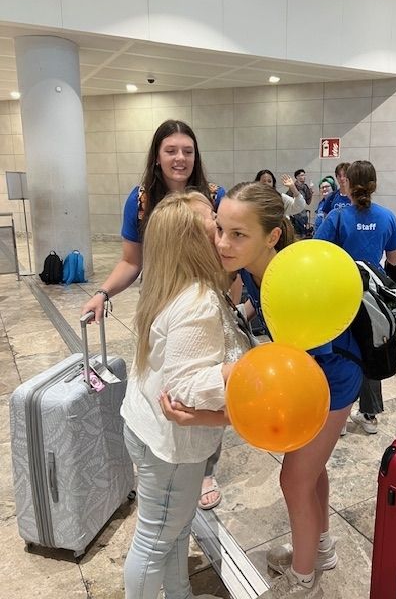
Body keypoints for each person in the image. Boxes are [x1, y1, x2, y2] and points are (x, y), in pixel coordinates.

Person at [164, 182, 363, 599]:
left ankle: (304, 577)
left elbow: (295, 377)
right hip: (317, 374)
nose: (222, 243)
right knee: (312, 471)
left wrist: (211, 413)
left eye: (238, 235)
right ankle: (319, 548)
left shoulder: (290, 277)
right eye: (220, 229)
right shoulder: (256, 271)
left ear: (272, 236)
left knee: (294, 478)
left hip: (333, 381)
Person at [81, 119, 225, 511]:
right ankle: (158, 448)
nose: (180, 158)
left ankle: (205, 465)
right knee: (161, 376)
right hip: (161, 299)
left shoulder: (214, 195)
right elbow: (132, 260)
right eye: (171, 150)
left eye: (187, 151)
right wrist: (102, 292)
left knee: (204, 379)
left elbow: (228, 255)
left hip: (202, 297)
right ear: (157, 157)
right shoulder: (141, 200)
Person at [120, 191, 252, 599]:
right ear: (193, 241)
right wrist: (238, 371)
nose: (222, 231)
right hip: (170, 446)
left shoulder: (169, 286)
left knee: (173, 529)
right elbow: (187, 387)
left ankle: (179, 592)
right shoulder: (195, 300)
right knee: (155, 539)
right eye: (214, 224)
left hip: (148, 431)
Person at [315, 160, 396, 435]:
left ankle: (338, 415)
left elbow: (317, 252)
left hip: (340, 294)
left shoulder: (337, 217)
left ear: (348, 184)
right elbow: (394, 258)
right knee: (371, 347)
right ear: (374, 185)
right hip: (373, 297)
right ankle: (369, 415)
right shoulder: (387, 216)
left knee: (341, 351)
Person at [287, 169, 313, 237]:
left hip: (303, 215)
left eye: (304, 175)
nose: (304, 177)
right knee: (298, 234)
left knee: (304, 234)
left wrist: (311, 192)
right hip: (295, 215)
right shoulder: (293, 187)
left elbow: (308, 202)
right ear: (297, 177)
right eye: (302, 175)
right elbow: (288, 199)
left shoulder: (305, 187)